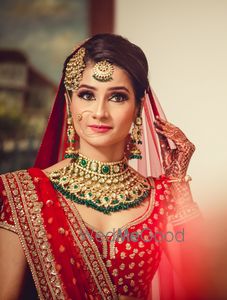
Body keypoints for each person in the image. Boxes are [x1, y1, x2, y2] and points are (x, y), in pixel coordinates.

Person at [0, 33, 202, 299]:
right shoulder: (21, 193)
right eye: (86, 95)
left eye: (117, 97)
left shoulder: (160, 197)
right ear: (69, 102)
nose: (99, 112)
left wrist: (177, 183)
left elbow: (203, 280)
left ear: (138, 106)